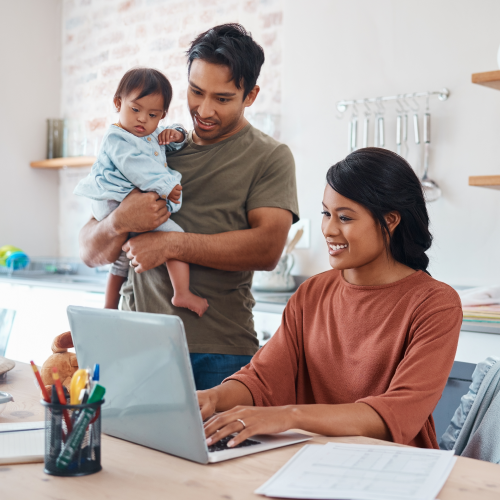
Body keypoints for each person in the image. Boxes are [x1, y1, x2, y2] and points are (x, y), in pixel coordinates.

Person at [78, 24, 299, 389]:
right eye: (196, 92)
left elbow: (268, 249)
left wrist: (172, 244)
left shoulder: (269, 157)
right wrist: (119, 220)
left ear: (251, 95)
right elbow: (89, 250)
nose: (205, 109)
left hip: (221, 353)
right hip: (136, 344)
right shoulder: (150, 147)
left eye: (223, 98)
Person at [199, 148, 463, 450]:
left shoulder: (435, 304)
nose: (329, 229)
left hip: (396, 468)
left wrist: (289, 416)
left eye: (345, 217)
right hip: (310, 458)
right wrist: (211, 398)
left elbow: (399, 413)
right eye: (326, 213)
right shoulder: (312, 293)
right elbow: (263, 378)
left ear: (390, 220)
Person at [74, 68, 208, 316]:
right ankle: (183, 293)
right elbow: (136, 167)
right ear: (118, 103)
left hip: (118, 200)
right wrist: (166, 187)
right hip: (113, 200)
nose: (142, 119)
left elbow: (172, 140)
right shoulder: (118, 137)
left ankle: (109, 308)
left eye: (153, 114)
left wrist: (176, 134)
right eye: (135, 110)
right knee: (175, 235)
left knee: (122, 260)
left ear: (162, 115)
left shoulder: (151, 133)